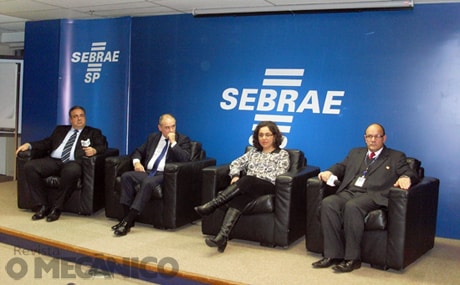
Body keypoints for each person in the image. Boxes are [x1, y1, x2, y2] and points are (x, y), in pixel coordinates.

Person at [311, 123, 420, 273]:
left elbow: (410, 172)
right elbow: (340, 166)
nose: (373, 140)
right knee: (328, 203)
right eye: (369, 136)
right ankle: (332, 255)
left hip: (374, 195)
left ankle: (352, 259)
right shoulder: (356, 152)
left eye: (377, 136)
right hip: (350, 191)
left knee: (353, 206)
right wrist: (329, 172)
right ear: (365, 138)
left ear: (384, 138)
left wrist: (406, 177)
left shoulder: (396, 156)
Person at [194, 121, 290, 253]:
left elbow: (279, 175)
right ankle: (222, 237)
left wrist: (254, 177)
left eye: (268, 135)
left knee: (249, 180)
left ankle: (212, 205)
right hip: (250, 187)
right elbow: (235, 163)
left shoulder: (282, 154)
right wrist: (235, 175)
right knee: (240, 199)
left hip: (269, 186)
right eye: (261, 135)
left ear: (275, 136)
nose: (264, 138)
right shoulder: (253, 153)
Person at [15, 105, 107, 222]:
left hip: (73, 162)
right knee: (30, 167)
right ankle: (42, 205)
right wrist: (29, 145)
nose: (79, 119)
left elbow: (102, 146)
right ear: (70, 119)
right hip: (54, 161)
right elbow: (46, 143)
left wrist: (95, 150)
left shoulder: (93, 132)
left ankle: (57, 207)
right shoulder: (60, 130)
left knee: (71, 171)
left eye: (81, 116)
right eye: (75, 116)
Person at [111, 114, 191, 237]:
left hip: (165, 175)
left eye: (173, 127)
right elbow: (138, 151)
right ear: (160, 127)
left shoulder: (183, 140)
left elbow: (185, 159)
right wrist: (137, 163)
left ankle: (127, 221)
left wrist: (173, 143)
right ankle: (126, 217)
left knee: (148, 182)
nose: (170, 130)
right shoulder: (153, 137)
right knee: (126, 176)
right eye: (167, 127)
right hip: (148, 172)